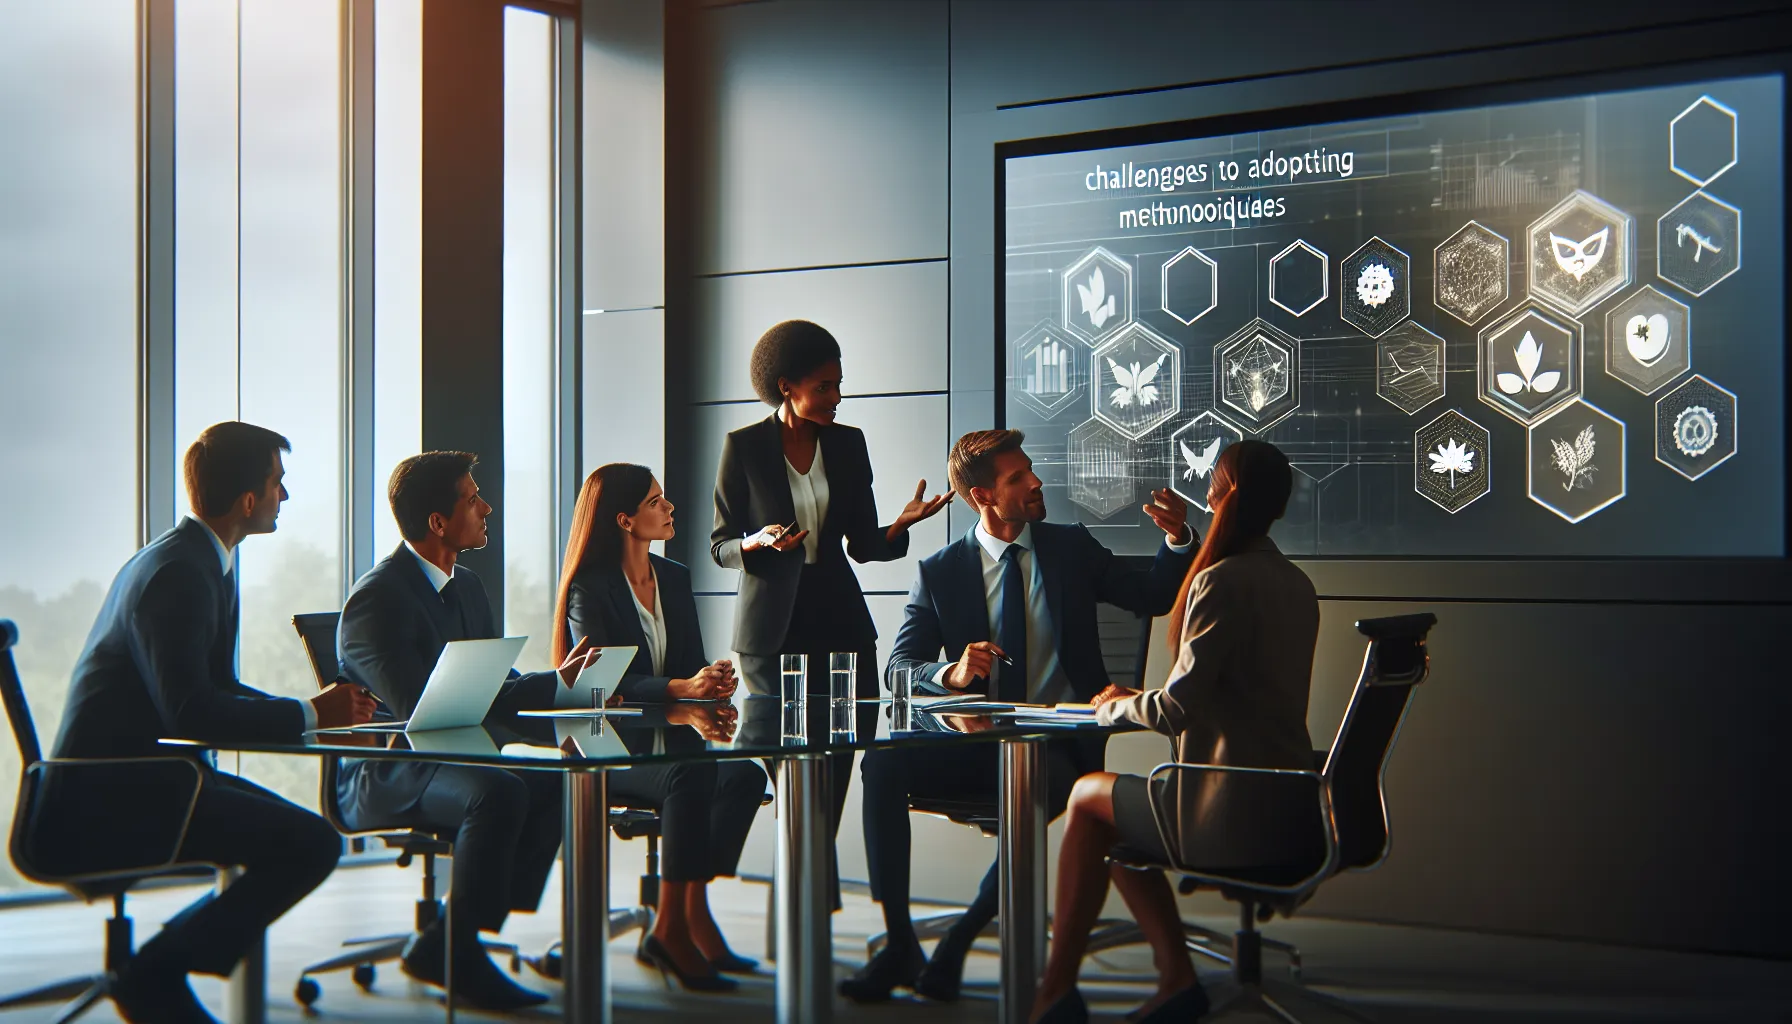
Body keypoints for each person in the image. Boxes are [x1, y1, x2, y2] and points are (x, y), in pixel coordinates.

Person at [844, 428, 1196, 1003]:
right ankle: (900, 941)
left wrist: (1178, 539)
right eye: (1018, 478)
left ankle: (958, 939)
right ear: (982, 496)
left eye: (1030, 469)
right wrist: (951, 672)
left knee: (1031, 783)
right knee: (881, 766)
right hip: (975, 746)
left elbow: (1152, 597)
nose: (1035, 482)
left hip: (1060, 747)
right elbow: (899, 668)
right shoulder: (940, 570)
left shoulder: (1070, 548)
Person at [48, 421, 376, 1024]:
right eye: (277, 482)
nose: (284, 495)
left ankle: (158, 968)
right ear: (248, 500)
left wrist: (313, 713)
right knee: (309, 844)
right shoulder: (179, 573)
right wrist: (309, 715)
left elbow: (215, 689)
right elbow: (192, 712)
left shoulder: (200, 560)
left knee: (305, 838)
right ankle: (154, 973)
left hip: (152, 780)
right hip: (113, 796)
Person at [1029, 440, 1319, 1024]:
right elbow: (1228, 697)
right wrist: (1135, 700)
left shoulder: (1221, 581)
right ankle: (1173, 977)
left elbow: (1174, 711)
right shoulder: (1295, 582)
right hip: (1291, 801)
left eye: (1212, 482)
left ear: (1223, 496)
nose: (1205, 491)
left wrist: (1107, 709)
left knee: (1086, 796)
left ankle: (1056, 990)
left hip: (1225, 805)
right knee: (1115, 818)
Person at [335, 451, 601, 1011]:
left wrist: (560, 684)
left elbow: (493, 682)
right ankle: (456, 947)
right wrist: (527, 690)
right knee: (499, 790)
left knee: (552, 783)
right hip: (389, 768)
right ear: (438, 521)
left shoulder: (469, 587)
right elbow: (422, 709)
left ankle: (459, 933)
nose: (487, 508)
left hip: (451, 757)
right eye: (473, 498)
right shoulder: (376, 599)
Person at [709, 319, 951, 897]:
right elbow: (720, 546)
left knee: (840, 753)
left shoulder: (848, 443)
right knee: (786, 760)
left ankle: (808, 893)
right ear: (786, 386)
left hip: (840, 621)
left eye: (839, 384)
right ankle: (804, 888)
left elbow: (863, 545)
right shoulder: (744, 446)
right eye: (824, 387)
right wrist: (755, 543)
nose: (836, 397)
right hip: (772, 629)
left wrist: (900, 525)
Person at [554, 463, 769, 991]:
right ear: (624, 520)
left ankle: (692, 910)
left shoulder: (672, 577)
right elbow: (607, 678)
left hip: (667, 739)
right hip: (605, 745)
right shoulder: (589, 588)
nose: (669, 508)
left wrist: (709, 679)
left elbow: (688, 665)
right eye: (655, 502)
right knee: (688, 775)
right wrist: (682, 687)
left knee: (743, 775)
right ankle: (671, 930)